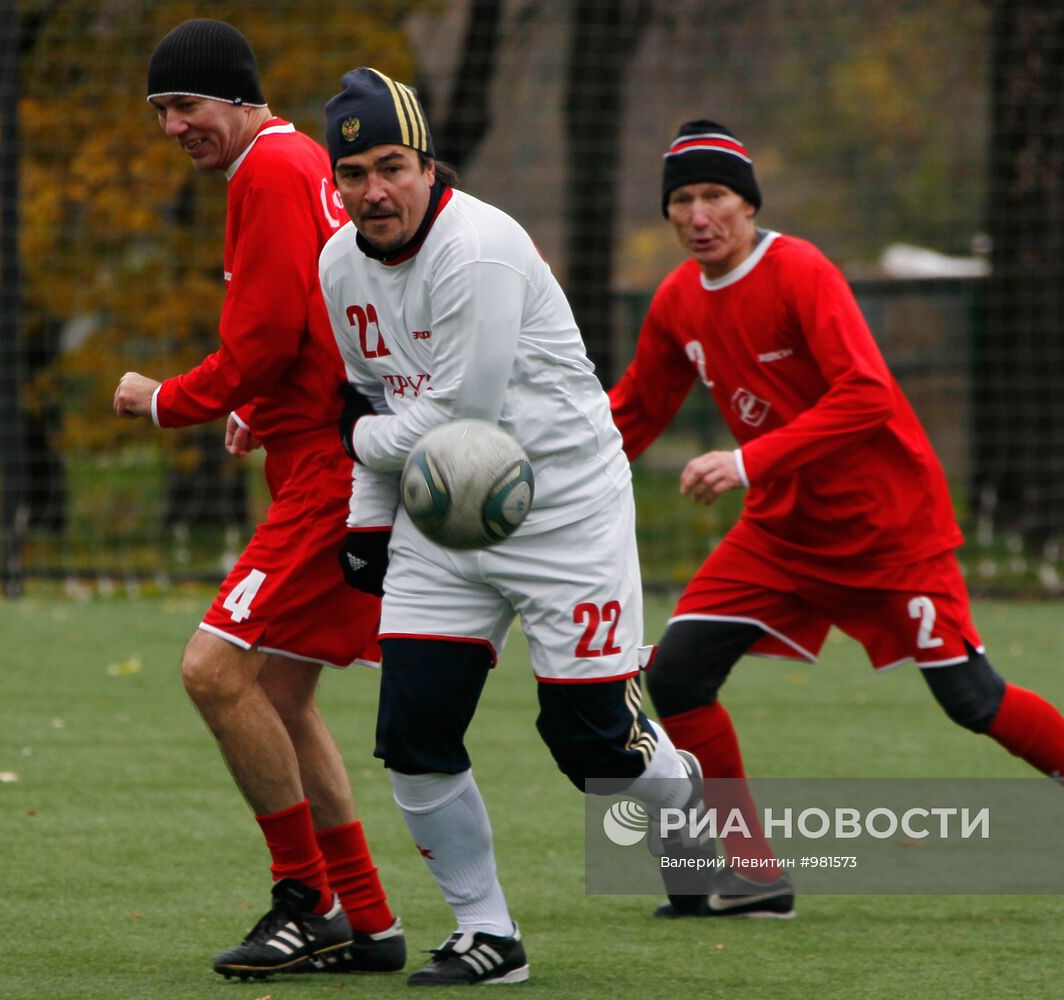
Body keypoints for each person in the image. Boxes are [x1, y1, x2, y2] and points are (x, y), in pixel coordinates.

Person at [607, 119, 1064, 922]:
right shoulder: (674, 301)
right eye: (683, 200)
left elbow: (866, 393)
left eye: (716, 196)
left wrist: (749, 461)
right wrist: (544, 471)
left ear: (746, 202)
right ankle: (753, 872)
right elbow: (633, 410)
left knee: (970, 700)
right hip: (779, 535)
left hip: (886, 531)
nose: (699, 215)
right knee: (676, 676)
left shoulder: (799, 271)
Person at [319, 68, 712, 987]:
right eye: (353, 174)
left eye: (393, 165)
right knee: (411, 732)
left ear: (427, 164)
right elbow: (377, 395)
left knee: (591, 749)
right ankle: (485, 934)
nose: (374, 190)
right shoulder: (339, 264)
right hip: (440, 518)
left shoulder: (481, 248)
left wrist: (356, 442)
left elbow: (461, 420)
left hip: (562, 513)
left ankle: (680, 793)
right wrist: (369, 521)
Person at [112, 19, 403, 980]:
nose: (173, 126)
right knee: (279, 689)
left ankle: (304, 897)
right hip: (322, 449)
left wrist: (169, 403)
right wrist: (268, 408)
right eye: (161, 111)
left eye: (187, 105)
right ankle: (366, 918)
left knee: (211, 670)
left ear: (239, 97)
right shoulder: (296, 163)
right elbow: (316, 318)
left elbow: (269, 332)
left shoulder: (269, 171)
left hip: (331, 475)